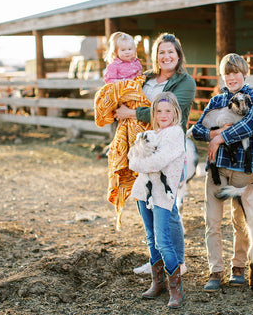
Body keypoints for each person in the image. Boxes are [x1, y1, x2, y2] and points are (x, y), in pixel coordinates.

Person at [114, 33, 196, 275]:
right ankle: (156, 263)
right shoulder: (146, 77)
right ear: (156, 56)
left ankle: (178, 263)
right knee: (145, 204)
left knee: (168, 209)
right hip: (145, 145)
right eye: (161, 52)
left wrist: (130, 114)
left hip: (168, 149)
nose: (166, 56)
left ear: (178, 55)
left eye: (171, 51)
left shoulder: (186, 83)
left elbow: (169, 110)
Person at [191, 53, 253, 291]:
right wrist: (213, 135)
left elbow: (250, 125)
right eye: (227, 73)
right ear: (223, 76)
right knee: (212, 219)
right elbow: (196, 130)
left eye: (236, 73)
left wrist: (220, 136)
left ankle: (239, 266)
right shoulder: (215, 102)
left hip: (243, 169)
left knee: (241, 219)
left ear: (244, 73)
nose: (232, 77)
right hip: (216, 170)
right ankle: (215, 270)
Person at [128, 92, 186, 309]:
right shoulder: (148, 134)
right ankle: (158, 282)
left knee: (163, 240)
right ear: (153, 113)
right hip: (143, 192)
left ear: (175, 113)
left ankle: (176, 289)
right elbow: (131, 157)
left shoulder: (175, 134)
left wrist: (140, 162)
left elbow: (156, 162)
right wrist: (139, 161)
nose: (163, 115)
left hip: (162, 195)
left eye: (168, 111)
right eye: (159, 111)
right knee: (151, 237)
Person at [94, 31, 151, 230]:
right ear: (116, 52)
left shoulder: (137, 64)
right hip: (124, 104)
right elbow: (110, 87)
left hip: (136, 107)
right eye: (123, 50)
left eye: (130, 49)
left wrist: (135, 87)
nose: (127, 52)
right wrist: (125, 89)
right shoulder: (114, 67)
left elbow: (141, 81)